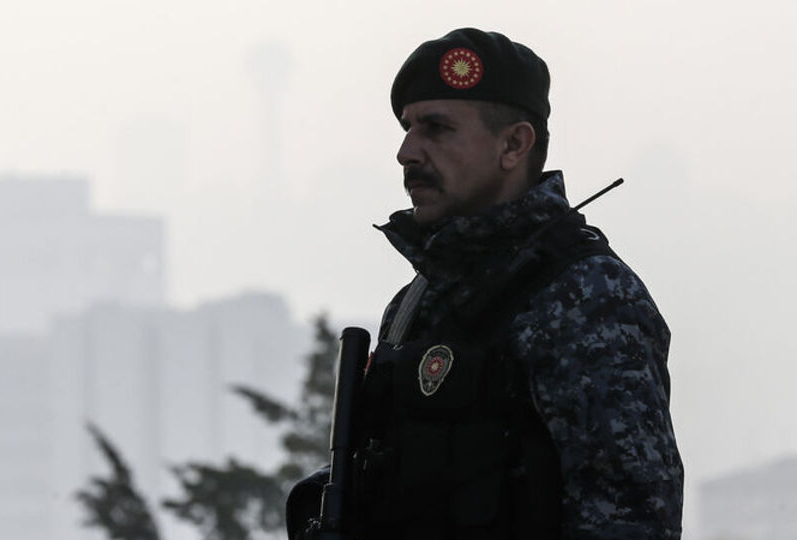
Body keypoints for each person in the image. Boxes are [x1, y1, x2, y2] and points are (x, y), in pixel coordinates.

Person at [287, 28, 683, 539]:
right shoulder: (418, 301)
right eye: (408, 128)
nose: (407, 152)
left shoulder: (585, 295)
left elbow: (631, 519)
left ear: (513, 145)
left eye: (437, 128)